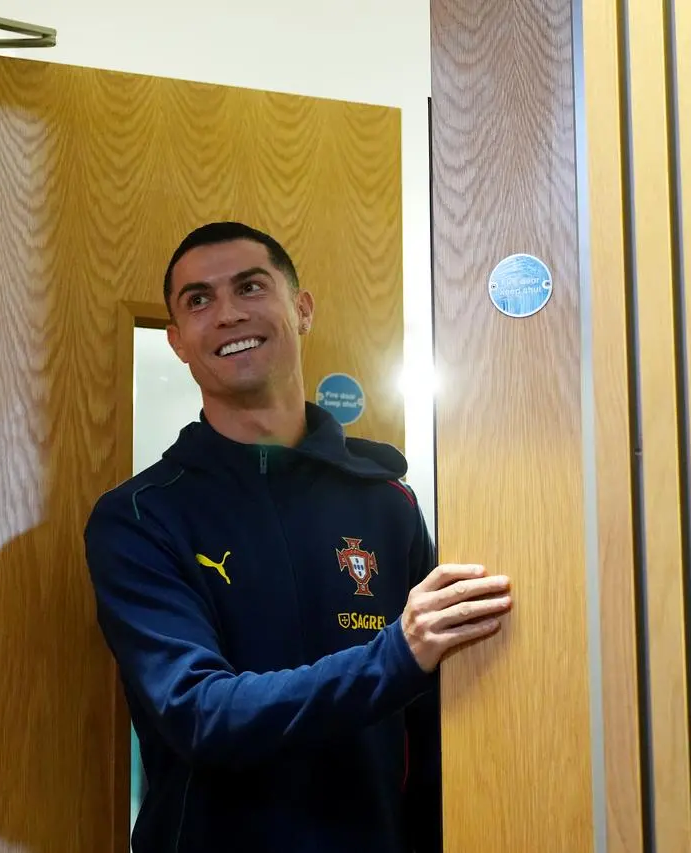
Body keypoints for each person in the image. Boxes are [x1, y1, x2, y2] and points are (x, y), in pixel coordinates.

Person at [83, 221, 513, 853]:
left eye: (250, 287)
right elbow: (200, 712)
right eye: (198, 300)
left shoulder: (387, 502)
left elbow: (437, 725)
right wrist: (396, 654)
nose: (227, 314)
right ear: (177, 341)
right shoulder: (141, 518)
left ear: (301, 309)